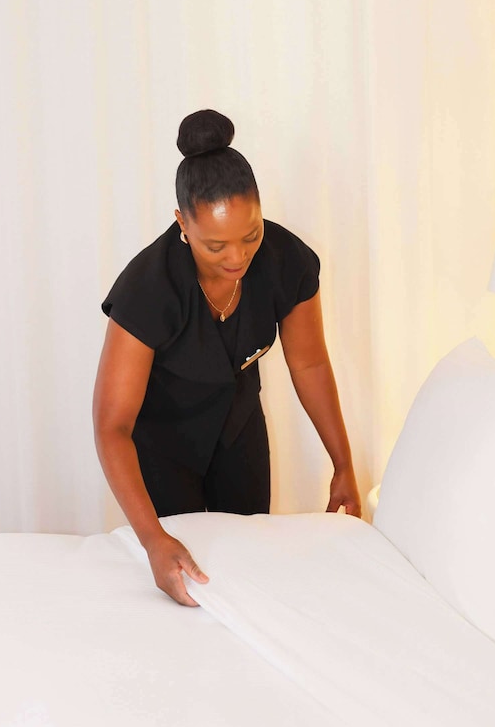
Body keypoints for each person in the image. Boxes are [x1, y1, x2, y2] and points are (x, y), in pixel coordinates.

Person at [93, 109, 360, 606]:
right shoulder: (147, 290)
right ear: (182, 223)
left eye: (250, 235)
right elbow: (112, 427)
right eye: (215, 245)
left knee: (248, 575)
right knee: (184, 590)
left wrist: (342, 463)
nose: (237, 257)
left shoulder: (286, 261)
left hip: (239, 436)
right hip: (163, 448)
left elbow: (309, 364)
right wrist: (153, 540)